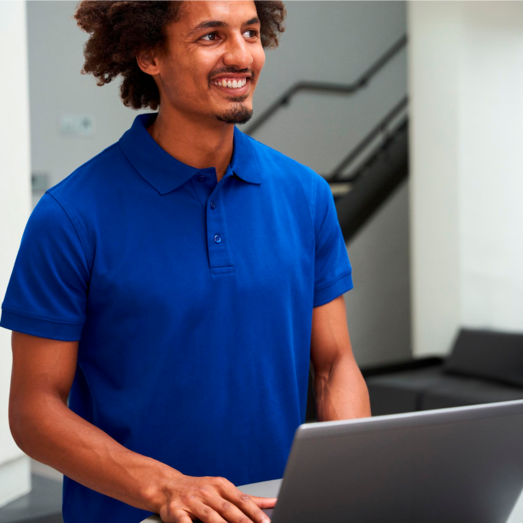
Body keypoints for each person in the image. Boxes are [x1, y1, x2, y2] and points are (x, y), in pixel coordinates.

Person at [2, 0, 371, 521]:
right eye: (211, 37)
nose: (241, 55)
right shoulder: (71, 216)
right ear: (150, 54)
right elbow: (35, 411)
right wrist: (165, 488)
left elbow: (335, 365)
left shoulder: (306, 195)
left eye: (250, 32)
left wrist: (352, 472)